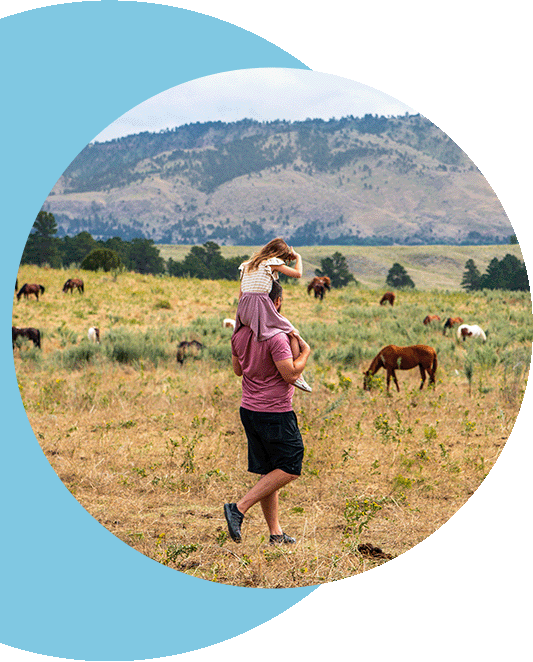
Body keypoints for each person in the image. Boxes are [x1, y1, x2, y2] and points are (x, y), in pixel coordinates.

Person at [225, 280, 311, 545]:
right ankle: (238, 508)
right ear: (276, 303)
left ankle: (275, 534)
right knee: (290, 467)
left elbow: (238, 370)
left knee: (269, 471)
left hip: (249, 410)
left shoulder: (239, 334)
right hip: (275, 412)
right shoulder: (276, 338)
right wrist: (306, 352)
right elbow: (290, 374)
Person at [235, 237, 312, 392]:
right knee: (291, 330)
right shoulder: (272, 262)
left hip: (243, 309)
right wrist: (298, 257)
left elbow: (241, 294)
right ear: (279, 255)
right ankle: (297, 375)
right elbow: (297, 274)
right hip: (260, 306)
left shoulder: (246, 265)